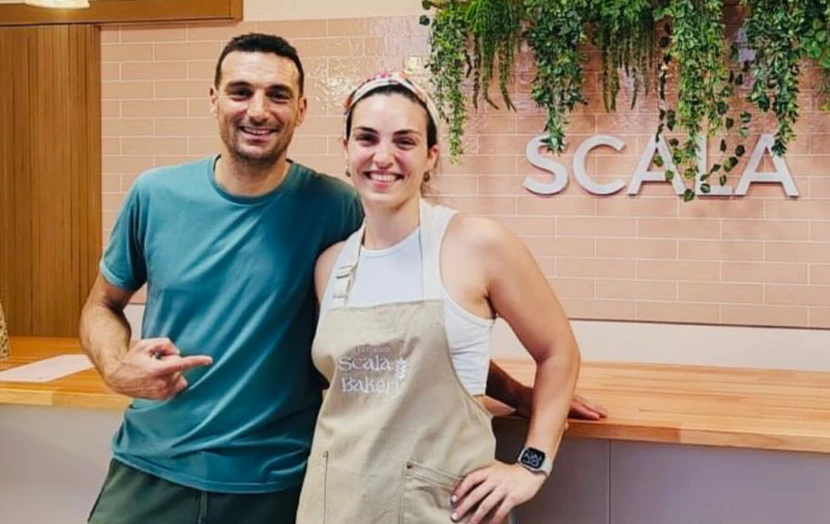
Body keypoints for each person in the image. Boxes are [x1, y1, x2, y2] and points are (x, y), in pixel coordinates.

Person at [79, 34, 604, 524]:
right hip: (154, 462)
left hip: (277, 480)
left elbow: (421, 332)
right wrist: (115, 367)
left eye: (278, 95)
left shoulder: (340, 209)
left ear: (301, 109)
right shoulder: (157, 196)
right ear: (213, 98)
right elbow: (102, 304)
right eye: (241, 91)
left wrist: (523, 403)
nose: (258, 110)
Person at [295, 71, 582, 524]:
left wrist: (532, 465)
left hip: (441, 510)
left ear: (430, 156)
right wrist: (513, 392)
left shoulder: (478, 244)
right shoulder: (331, 266)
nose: (383, 157)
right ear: (346, 150)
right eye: (366, 138)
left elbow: (558, 352)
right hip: (335, 505)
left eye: (404, 141)